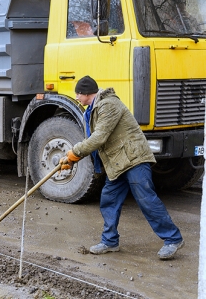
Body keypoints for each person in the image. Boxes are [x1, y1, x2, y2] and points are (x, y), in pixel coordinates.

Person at [61, 76, 184, 260]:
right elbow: (96, 139)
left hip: (134, 159)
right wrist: (72, 158)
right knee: (109, 199)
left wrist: (74, 153)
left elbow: (99, 137)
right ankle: (110, 241)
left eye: (78, 94)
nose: (77, 97)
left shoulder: (108, 105)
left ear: (87, 93)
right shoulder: (94, 108)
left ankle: (173, 239)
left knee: (146, 200)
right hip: (118, 163)